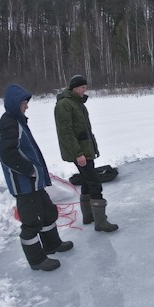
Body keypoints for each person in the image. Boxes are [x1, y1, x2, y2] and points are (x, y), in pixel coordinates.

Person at [0, 84, 73, 271]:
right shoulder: (9, 123)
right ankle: (37, 260)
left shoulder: (18, 120)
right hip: (24, 184)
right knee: (31, 223)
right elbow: (7, 154)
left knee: (47, 213)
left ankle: (52, 244)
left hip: (34, 182)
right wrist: (29, 170)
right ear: (15, 104)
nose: (27, 107)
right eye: (24, 103)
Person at [55, 75, 119, 232]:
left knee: (86, 181)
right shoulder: (64, 105)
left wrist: (92, 148)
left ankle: (89, 216)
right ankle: (100, 222)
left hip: (86, 149)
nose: (85, 90)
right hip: (80, 152)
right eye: (82, 87)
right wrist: (78, 154)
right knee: (95, 183)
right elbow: (66, 133)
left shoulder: (77, 103)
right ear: (74, 88)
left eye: (85, 87)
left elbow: (85, 130)